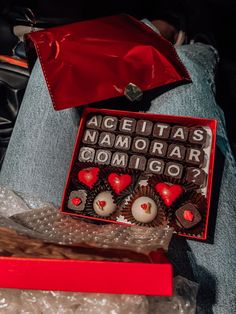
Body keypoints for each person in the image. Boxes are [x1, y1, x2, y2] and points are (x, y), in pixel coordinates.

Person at [0, 18, 235, 314]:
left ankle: (142, 35)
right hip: (188, 302)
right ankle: (180, 43)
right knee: (183, 78)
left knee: (54, 71)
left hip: (19, 281)